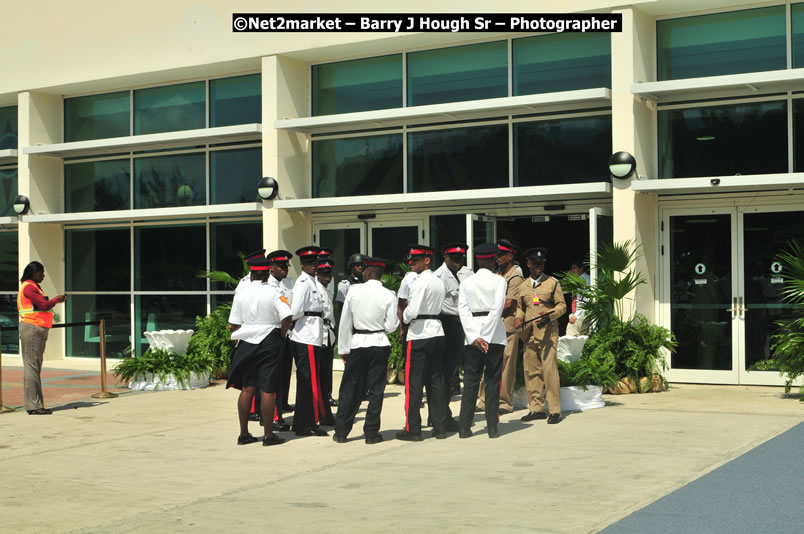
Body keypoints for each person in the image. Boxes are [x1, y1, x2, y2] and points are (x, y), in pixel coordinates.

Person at [333, 256, 399, 444]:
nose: (361, 273)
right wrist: (379, 328)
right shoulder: (389, 295)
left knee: (350, 388)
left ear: (369, 272)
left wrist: (344, 349)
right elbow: (392, 325)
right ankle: (371, 433)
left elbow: (345, 322)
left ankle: (341, 432)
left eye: (364, 271)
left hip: (358, 343)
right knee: (377, 390)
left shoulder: (354, 291)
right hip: (379, 343)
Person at [227, 258, 292, 446]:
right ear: (267, 273)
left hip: (247, 340)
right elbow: (286, 316)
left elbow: (235, 323)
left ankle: (244, 433)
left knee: (247, 388)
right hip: (269, 338)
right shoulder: (274, 292)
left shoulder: (241, 293)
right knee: (267, 388)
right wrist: (281, 334)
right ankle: (269, 435)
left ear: (252, 273)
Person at [397, 244, 447, 441]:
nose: (411, 264)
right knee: (436, 381)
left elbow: (412, 310)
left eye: (415, 260)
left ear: (427, 260)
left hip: (418, 333)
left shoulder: (419, 281)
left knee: (414, 383)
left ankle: (413, 429)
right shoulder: (438, 281)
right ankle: (439, 427)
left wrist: (406, 318)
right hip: (437, 330)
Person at [457, 243, 507, 439]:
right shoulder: (499, 281)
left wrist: (474, 336)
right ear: (494, 259)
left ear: (477, 259)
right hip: (494, 335)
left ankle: (464, 427)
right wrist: (485, 336)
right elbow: (497, 309)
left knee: (470, 381)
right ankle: (492, 427)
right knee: (493, 381)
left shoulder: (466, 282)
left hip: (472, 336)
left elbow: (463, 310)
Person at [514, 248, 566, 425]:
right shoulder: (523, 286)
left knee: (549, 371)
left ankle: (555, 410)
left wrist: (549, 314)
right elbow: (521, 307)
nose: (539, 266)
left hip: (547, 332)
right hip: (528, 333)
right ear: (528, 264)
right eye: (535, 263)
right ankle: (536, 408)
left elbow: (562, 306)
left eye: (541, 263)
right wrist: (518, 318)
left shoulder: (552, 283)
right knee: (531, 371)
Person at [477, 239, 524, 415]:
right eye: (496, 255)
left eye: (501, 255)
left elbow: (508, 303)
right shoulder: (496, 274)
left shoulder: (515, 277)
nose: (497, 258)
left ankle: (504, 402)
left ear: (510, 256)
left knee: (506, 366)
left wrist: (488, 315)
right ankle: (483, 400)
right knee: (486, 364)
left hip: (507, 326)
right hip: (492, 325)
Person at [17, 261, 66, 415]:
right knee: (32, 367)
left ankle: (34, 404)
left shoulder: (34, 287)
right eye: (41, 273)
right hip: (32, 329)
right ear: (33, 272)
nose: (43, 276)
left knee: (34, 366)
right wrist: (56, 300)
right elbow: (44, 305)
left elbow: (41, 307)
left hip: (36, 328)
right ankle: (34, 405)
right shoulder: (29, 287)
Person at [289, 245, 328, 437]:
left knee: (308, 382)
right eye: (310, 263)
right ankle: (309, 423)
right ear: (302, 264)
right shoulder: (303, 283)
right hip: (306, 336)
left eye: (316, 263)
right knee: (310, 382)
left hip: (312, 335)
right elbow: (295, 310)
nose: (314, 266)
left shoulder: (312, 282)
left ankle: (301, 422)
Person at [433, 242, 472, 430]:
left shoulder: (468, 273)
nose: (458, 262)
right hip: (446, 324)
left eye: (461, 258)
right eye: (454, 258)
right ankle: (441, 415)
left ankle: (440, 414)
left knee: (452, 373)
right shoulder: (437, 277)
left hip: (462, 324)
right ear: (445, 257)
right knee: (444, 374)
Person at [266, 249, 295, 429]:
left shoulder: (288, 283)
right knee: (273, 377)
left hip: (288, 334)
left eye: (286, 265)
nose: (284, 269)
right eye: (280, 265)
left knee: (285, 372)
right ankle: (273, 415)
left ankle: (282, 404)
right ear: (271, 267)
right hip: (275, 333)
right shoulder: (267, 285)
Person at [315, 258, 336, 426]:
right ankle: (322, 413)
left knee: (325, 375)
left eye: (329, 274)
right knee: (320, 377)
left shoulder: (326, 289)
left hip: (328, 334)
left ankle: (325, 411)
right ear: (317, 274)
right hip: (319, 335)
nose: (328, 277)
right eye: (324, 274)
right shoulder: (315, 288)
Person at [566, 260, 591, 336]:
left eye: (574, 268)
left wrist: (576, 315)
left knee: (570, 339)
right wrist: (568, 278)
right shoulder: (577, 279)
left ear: (581, 269)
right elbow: (564, 290)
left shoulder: (584, 280)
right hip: (579, 315)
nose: (572, 271)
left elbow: (585, 299)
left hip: (580, 315)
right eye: (572, 268)